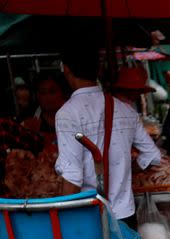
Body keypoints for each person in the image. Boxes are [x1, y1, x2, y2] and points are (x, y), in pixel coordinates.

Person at [55, 44, 160, 229]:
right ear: (98, 69)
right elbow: (152, 156)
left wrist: (64, 224)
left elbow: (72, 175)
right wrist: (124, 168)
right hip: (125, 216)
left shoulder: (68, 113)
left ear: (66, 69)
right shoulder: (125, 110)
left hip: (90, 217)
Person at [20, 71, 70, 147]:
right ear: (37, 95)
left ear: (62, 92)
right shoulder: (28, 119)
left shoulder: (75, 113)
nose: (48, 97)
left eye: (52, 92)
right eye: (43, 93)